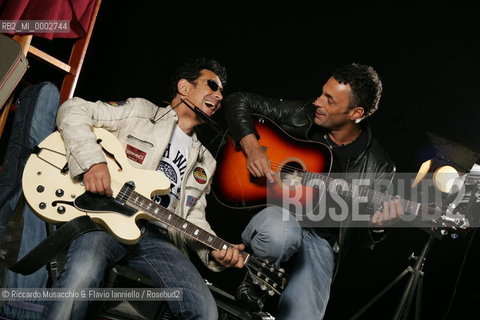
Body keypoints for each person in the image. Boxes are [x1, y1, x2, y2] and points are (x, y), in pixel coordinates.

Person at [42, 58, 245, 320]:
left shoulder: (205, 160)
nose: (218, 96)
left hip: (157, 238)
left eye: (221, 93)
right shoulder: (140, 111)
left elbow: (193, 218)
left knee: (205, 312)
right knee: (81, 276)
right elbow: (73, 110)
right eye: (212, 86)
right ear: (184, 87)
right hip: (108, 219)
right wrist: (92, 162)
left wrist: (214, 250)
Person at [224, 63, 403, 319]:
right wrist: (252, 148)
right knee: (280, 233)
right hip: (281, 216)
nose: (317, 102)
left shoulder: (379, 164)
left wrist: (378, 227)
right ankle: (254, 285)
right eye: (322, 93)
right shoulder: (304, 113)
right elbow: (237, 100)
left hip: (322, 240)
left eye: (329, 100)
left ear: (356, 112)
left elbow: (360, 242)